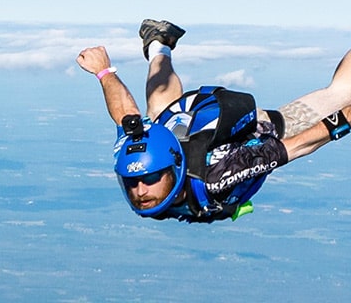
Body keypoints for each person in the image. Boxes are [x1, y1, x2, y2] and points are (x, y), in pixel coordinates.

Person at [76, 20, 351, 222]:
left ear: (172, 169)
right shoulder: (136, 150)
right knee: (160, 113)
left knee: (340, 92)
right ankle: (160, 42)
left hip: (260, 131)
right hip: (185, 133)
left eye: (149, 178)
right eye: (132, 182)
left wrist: (341, 122)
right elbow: (126, 115)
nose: (140, 191)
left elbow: (297, 146)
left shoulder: (219, 176)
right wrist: (103, 73)